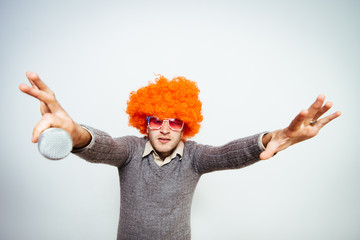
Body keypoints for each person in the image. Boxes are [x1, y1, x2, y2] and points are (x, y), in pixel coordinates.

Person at [19, 71, 341, 240]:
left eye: (174, 121)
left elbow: (230, 153)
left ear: (185, 125)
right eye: (154, 120)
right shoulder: (130, 151)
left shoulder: (195, 158)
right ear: (142, 122)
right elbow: (103, 146)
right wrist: (75, 133)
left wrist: (276, 137)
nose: (163, 129)